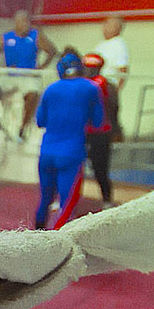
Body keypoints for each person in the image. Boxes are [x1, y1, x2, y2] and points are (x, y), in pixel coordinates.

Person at [34, 51, 103, 230]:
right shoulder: (90, 88)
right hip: (71, 153)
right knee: (67, 204)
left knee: (45, 200)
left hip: (47, 151)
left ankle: (36, 237)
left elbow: (40, 121)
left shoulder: (51, 89)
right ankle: (59, 245)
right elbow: (98, 122)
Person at [0, 9, 57, 139]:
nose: (26, 24)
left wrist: (41, 67)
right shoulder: (7, 37)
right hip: (9, 75)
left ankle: (23, 127)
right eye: (23, 21)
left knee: (33, 95)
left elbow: (52, 50)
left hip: (27, 76)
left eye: (27, 21)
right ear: (16, 23)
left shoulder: (36, 36)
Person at [82, 52, 120, 208]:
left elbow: (115, 108)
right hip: (82, 132)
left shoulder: (108, 86)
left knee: (101, 168)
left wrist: (116, 130)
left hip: (100, 133)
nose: (90, 71)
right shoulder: (79, 85)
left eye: (93, 68)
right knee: (72, 168)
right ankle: (65, 198)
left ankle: (107, 199)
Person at [93, 15, 129, 93]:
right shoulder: (102, 44)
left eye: (108, 25)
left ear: (117, 28)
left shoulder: (119, 45)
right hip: (96, 85)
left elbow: (123, 70)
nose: (104, 27)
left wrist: (115, 92)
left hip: (107, 87)